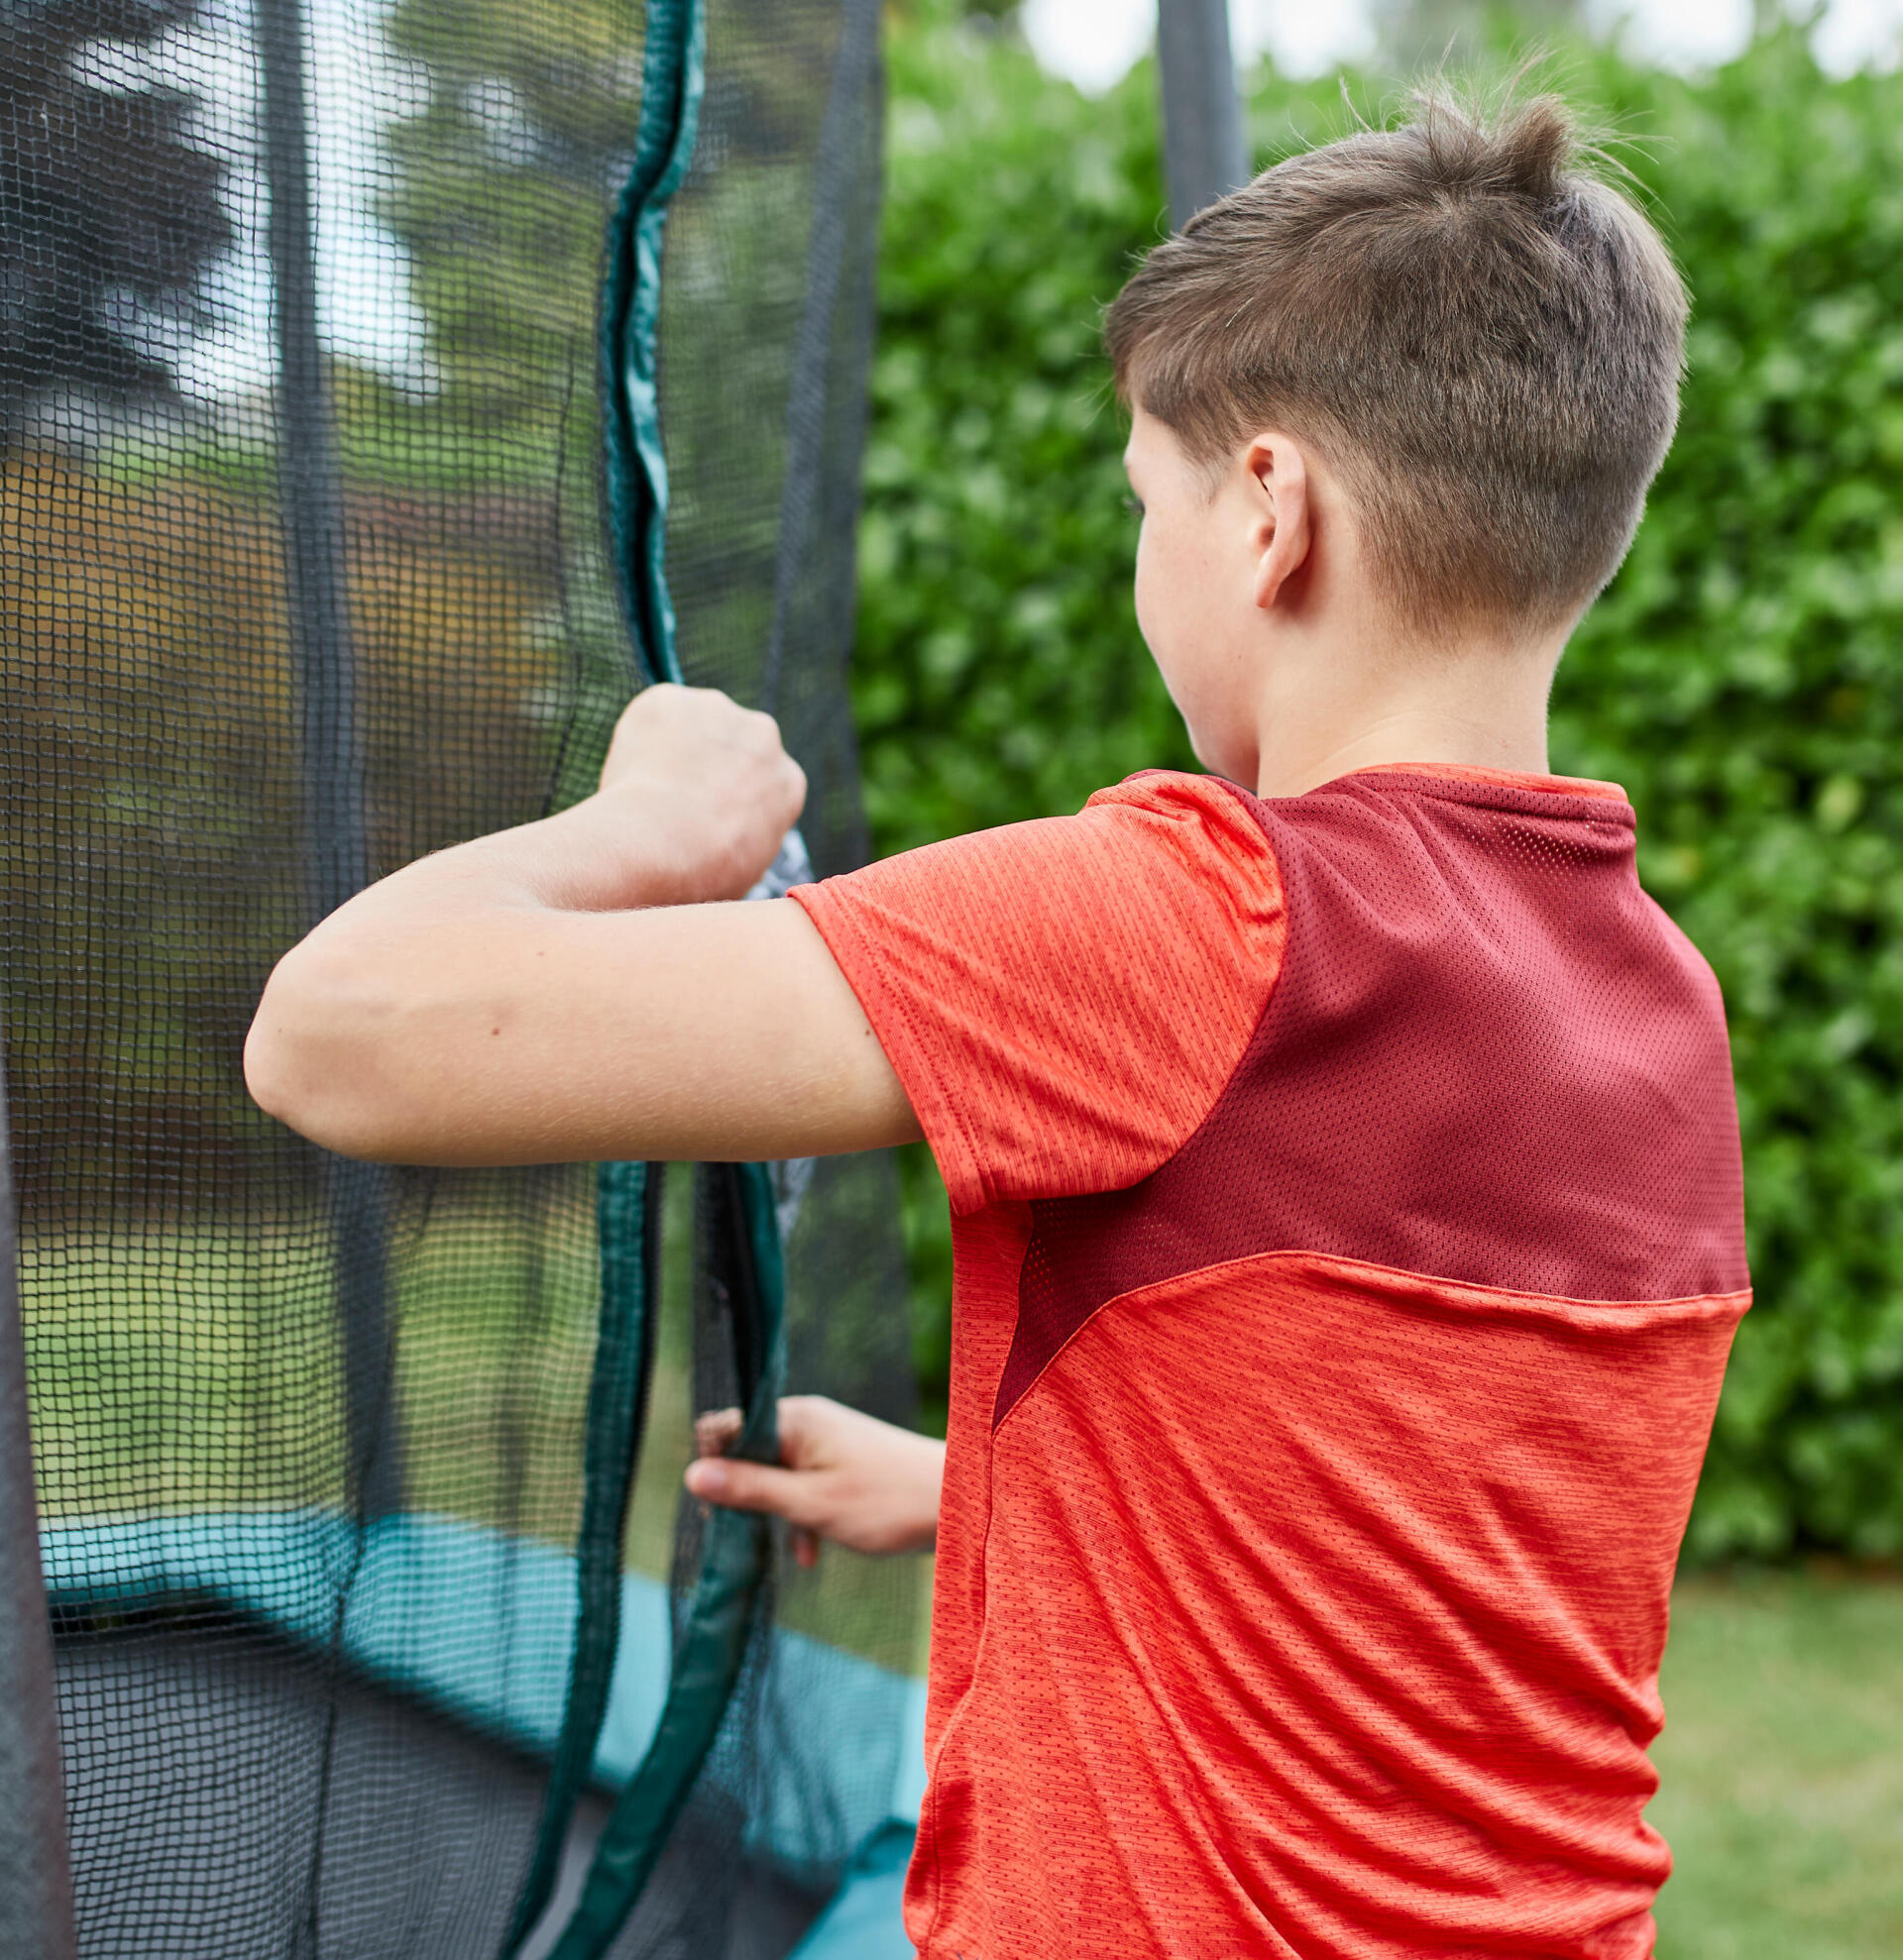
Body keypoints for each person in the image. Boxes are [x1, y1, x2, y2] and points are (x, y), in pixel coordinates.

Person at [246, 87, 1747, 1960]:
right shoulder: (1656, 1006)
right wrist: (987, 1491)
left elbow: (337, 1030)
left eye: (1150, 503)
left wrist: (646, 827)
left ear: (1269, 512)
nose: (1148, 559)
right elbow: (1418, 1543)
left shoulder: (1194, 919)